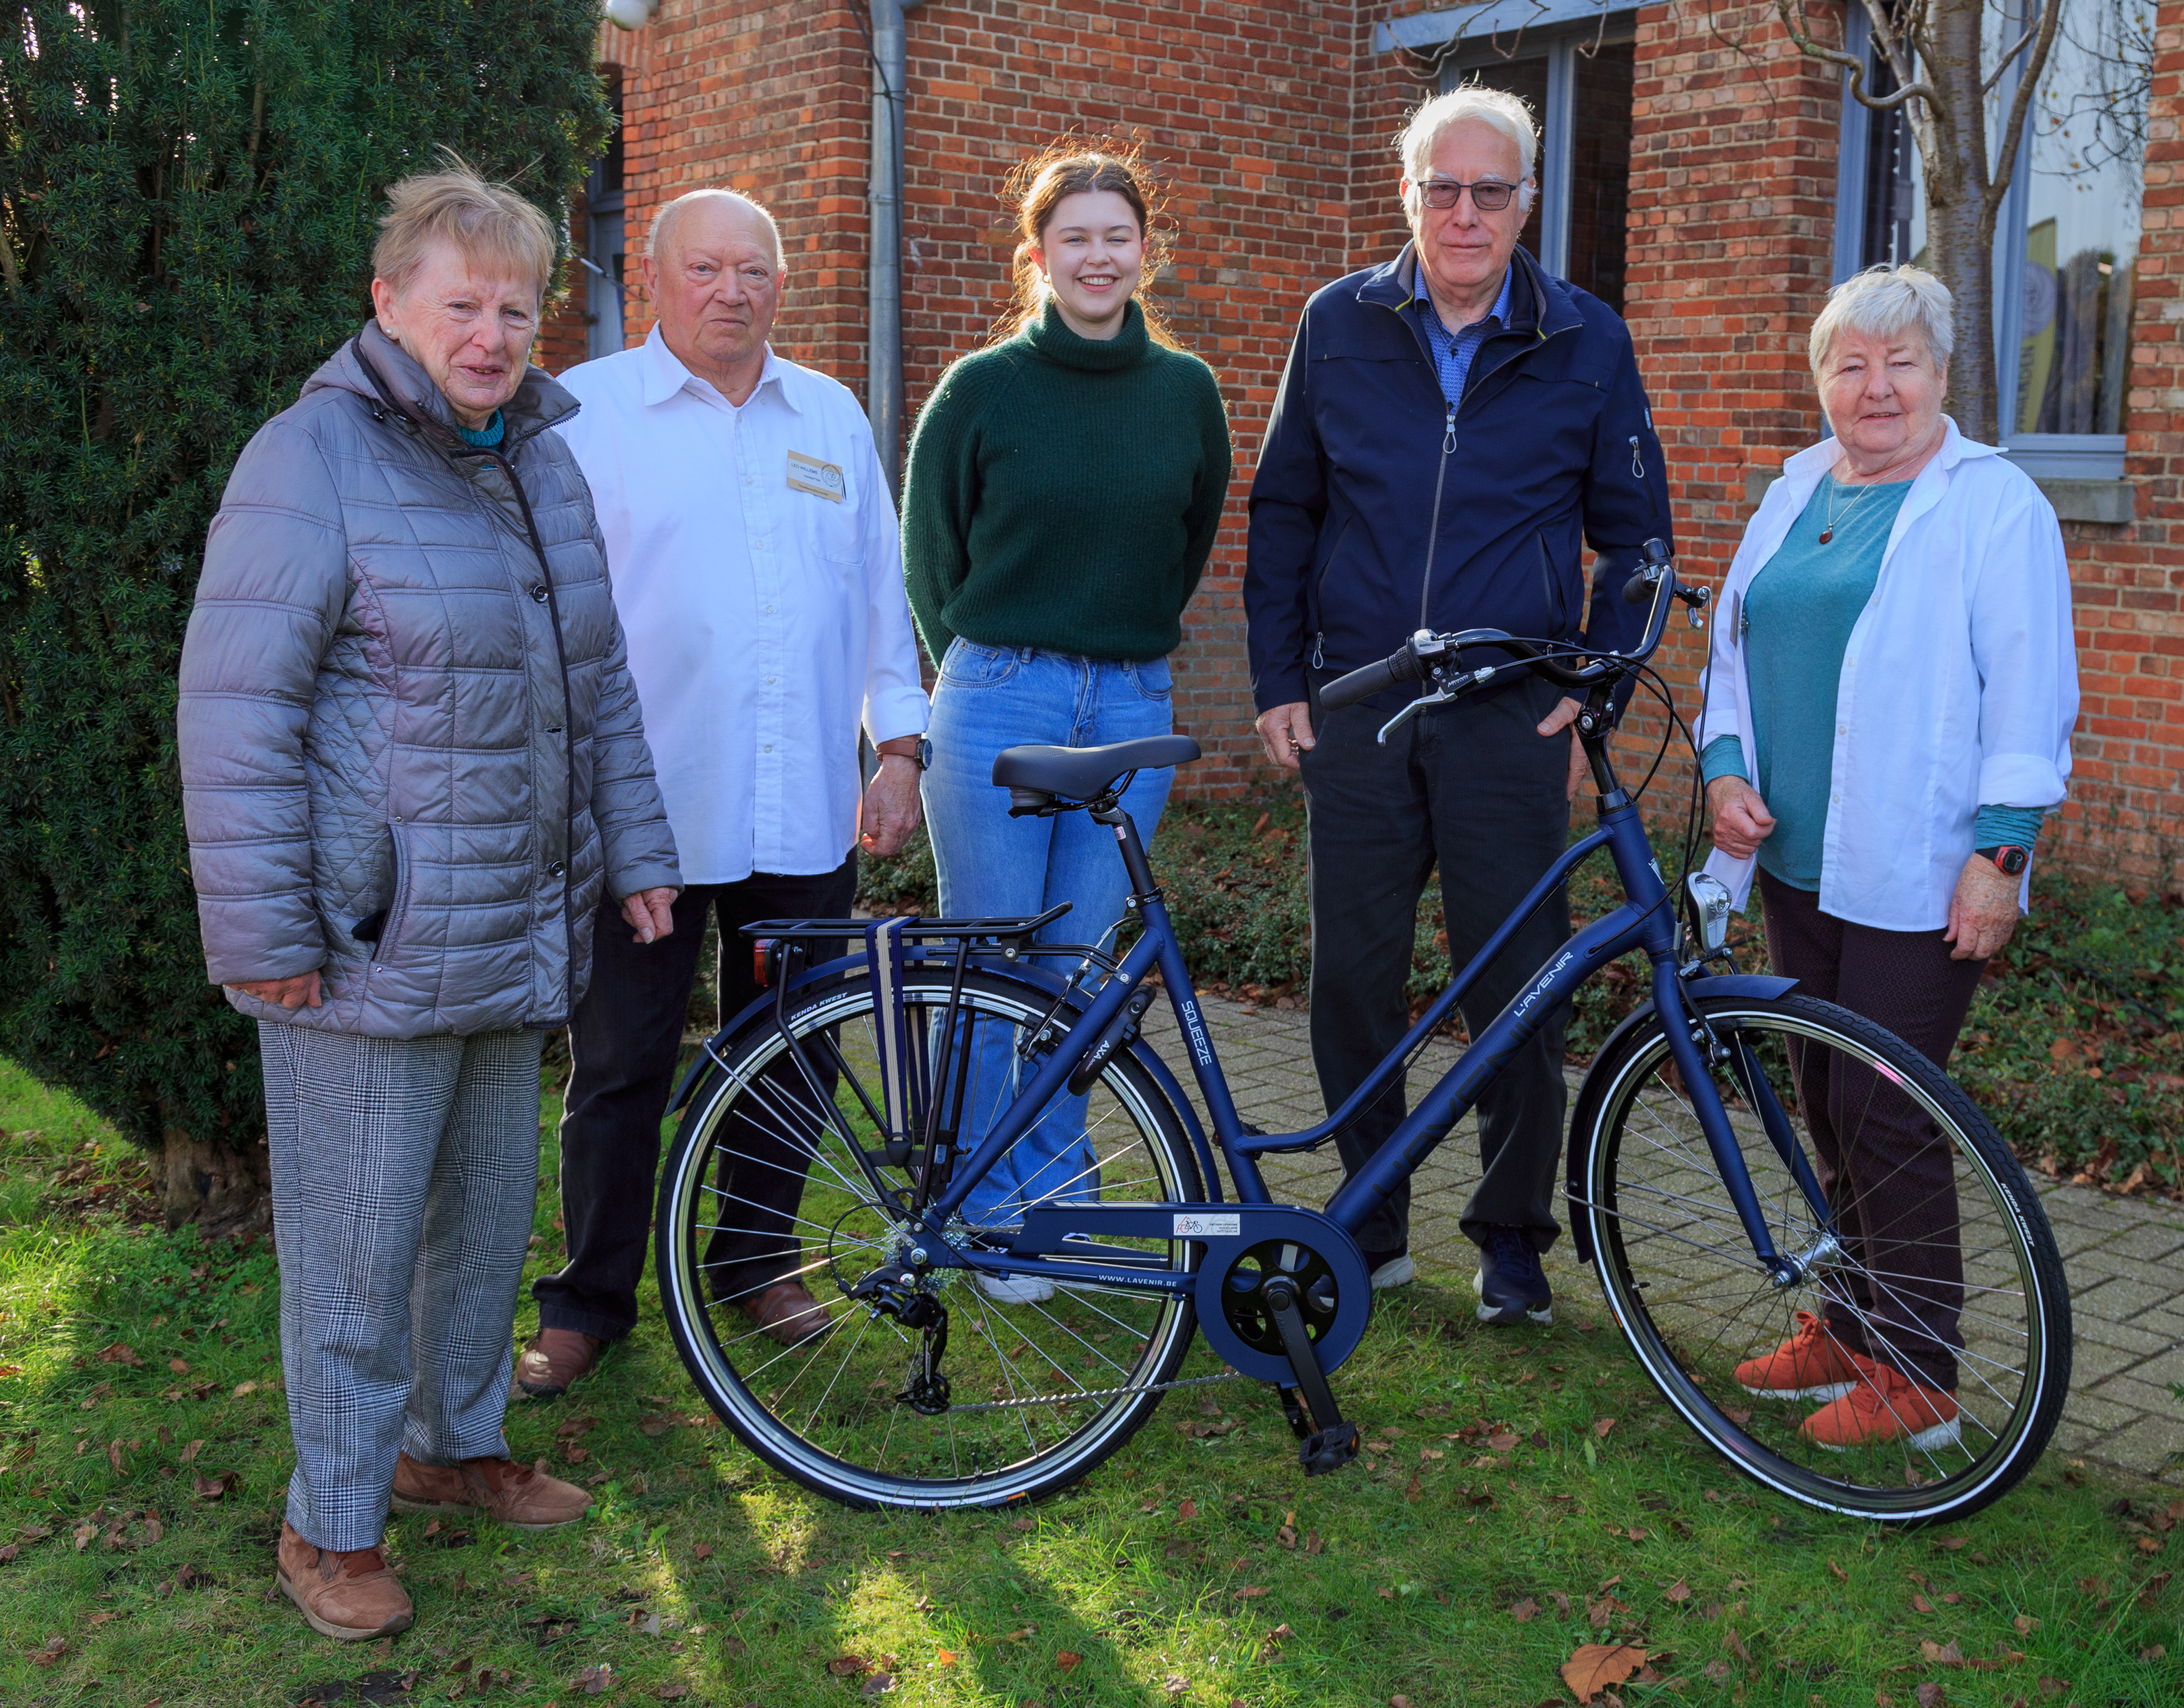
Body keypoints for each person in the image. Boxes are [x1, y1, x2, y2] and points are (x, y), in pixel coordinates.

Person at [177, 161, 681, 1641]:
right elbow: (234, 715)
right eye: (461, 303)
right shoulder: (309, 457)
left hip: (515, 925)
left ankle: (453, 1449)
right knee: (354, 1244)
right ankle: (327, 1525)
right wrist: (265, 937)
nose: (492, 331)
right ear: (388, 305)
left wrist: (637, 854)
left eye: (517, 305)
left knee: (479, 1219)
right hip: (362, 947)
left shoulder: (540, 458)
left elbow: (593, 684)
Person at [1244, 87, 1672, 1326]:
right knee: (1351, 984)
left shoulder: (1584, 338)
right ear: (1407, 195)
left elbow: (1635, 539)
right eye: (1444, 188)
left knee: (1518, 985)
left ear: (1525, 201)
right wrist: (1281, 679)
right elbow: (1284, 511)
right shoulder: (1336, 324)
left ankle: (1510, 1242)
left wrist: (1592, 675)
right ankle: (1370, 1226)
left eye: (1492, 191)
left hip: (1507, 712)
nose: (1466, 212)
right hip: (1361, 705)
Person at [516, 188, 932, 1396]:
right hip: (641, 809)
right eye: (705, 269)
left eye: (754, 271)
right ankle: (591, 1300)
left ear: (780, 285)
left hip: (800, 797)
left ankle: (756, 1262)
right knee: (621, 1064)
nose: (731, 292)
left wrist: (895, 747)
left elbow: (873, 595)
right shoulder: (584, 415)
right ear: (652, 279)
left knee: (790, 1051)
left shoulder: (830, 414)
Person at [1694, 264, 2078, 1448]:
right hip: (1800, 863)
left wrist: (1999, 857)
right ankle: (1850, 1328)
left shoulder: (1991, 505)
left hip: (1921, 872)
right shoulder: (1797, 486)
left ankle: (1918, 1373)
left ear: (1941, 375)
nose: (1873, 388)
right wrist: (1720, 768)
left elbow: (2031, 693)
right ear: (1820, 382)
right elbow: (1733, 650)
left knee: (1886, 1109)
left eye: (1897, 363)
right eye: (1848, 365)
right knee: (1825, 1094)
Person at [901, 147, 1231, 1282]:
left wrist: (1108, 649)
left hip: (1130, 702)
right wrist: (981, 671)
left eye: (1117, 236)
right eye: (1074, 238)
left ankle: (1056, 1202)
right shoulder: (981, 389)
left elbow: (1181, 546)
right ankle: (983, 1213)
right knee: (987, 974)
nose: (1098, 257)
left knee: (1077, 985)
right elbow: (928, 553)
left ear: (1146, 251)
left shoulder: (1184, 392)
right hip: (997, 700)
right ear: (1036, 257)